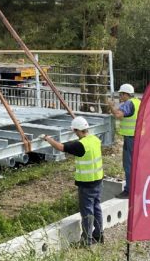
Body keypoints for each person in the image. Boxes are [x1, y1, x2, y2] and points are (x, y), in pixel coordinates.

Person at [41, 117, 104, 246]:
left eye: (75, 131)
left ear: (76, 130)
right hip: (98, 180)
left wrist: (48, 139)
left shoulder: (80, 145)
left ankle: (86, 240)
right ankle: (99, 235)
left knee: (87, 212)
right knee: (96, 208)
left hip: (86, 184)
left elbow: (60, 147)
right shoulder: (95, 140)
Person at [107, 83, 141, 199]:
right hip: (139, 137)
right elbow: (123, 116)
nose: (120, 97)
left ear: (126, 94)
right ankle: (137, 188)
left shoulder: (128, 103)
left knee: (128, 165)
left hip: (130, 138)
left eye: (121, 94)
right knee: (137, 164)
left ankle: (129, 191)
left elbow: (118, 115)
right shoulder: (138, 102)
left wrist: (111, 106)